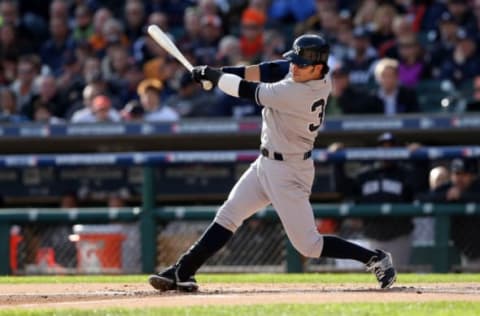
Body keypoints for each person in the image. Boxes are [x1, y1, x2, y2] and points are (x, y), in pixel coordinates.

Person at [148, 34, 397, 292]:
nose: (294, 67)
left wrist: (215, 78)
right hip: (266, 162)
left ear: (318, 68)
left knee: (308, 246)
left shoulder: (296, 92)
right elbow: (270, 69)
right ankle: (183, 271)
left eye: (301, 64)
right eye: (295, 61)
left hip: (290, 171)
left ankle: (374, 258)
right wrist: (217, 73)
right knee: (228, 215)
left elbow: (245, 90)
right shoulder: (311, 74)